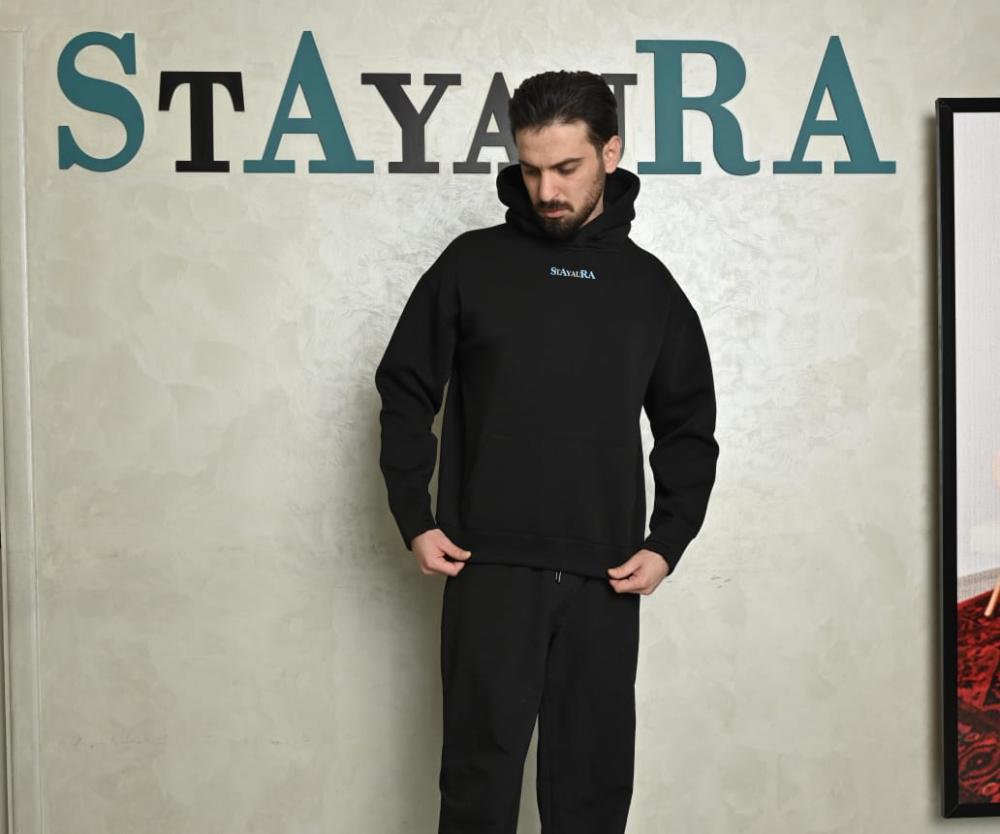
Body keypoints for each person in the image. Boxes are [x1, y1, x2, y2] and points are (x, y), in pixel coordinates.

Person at [374, 69, 719, 834]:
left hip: (606, 577)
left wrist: (668, 541)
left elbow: (689, 426)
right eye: (531, 170)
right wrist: (413, 516)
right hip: (488, 566)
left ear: (610, 154)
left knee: (592, 795)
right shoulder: (471, 265)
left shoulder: (648, 287)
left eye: (566, 168)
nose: (547, 190)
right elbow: (405, 386)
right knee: (477, 791)